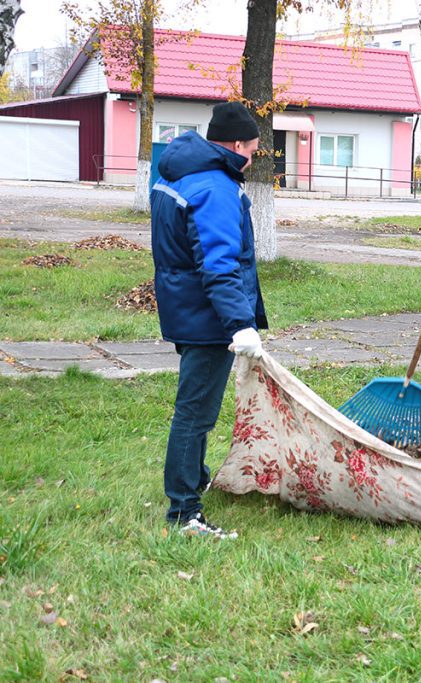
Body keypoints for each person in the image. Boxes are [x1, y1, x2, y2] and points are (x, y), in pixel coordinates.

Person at [150, 102, 267, 538]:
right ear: (237, 144)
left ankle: (193, 478)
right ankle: (184, 511)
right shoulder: (216, 187)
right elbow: (219, 265)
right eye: (252, 149)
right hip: (206, 317)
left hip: (185, 307)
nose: (251, 158)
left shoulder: (177, 172)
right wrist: (240, 324)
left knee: (195, 406)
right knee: (195, 413)